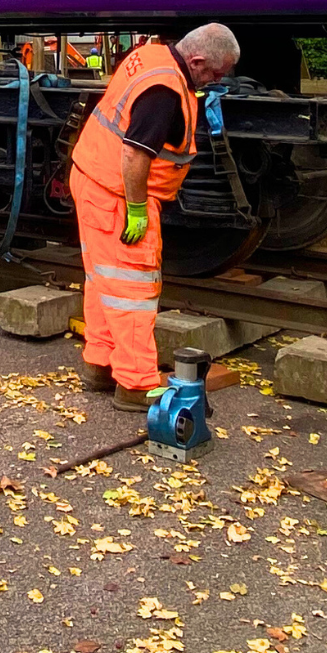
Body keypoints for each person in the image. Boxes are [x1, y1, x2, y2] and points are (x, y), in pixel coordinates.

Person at [68, 23, 240, 409]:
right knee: (133, 290)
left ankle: (100, 364)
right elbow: (134, 153)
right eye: (214, 73)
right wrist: (135, 208)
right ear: (196, 60)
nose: (215, 82)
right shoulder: (164, 91)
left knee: (102, 280)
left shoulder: (152, 55)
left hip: (93, 176)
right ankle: (135, 384)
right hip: (116, 193)